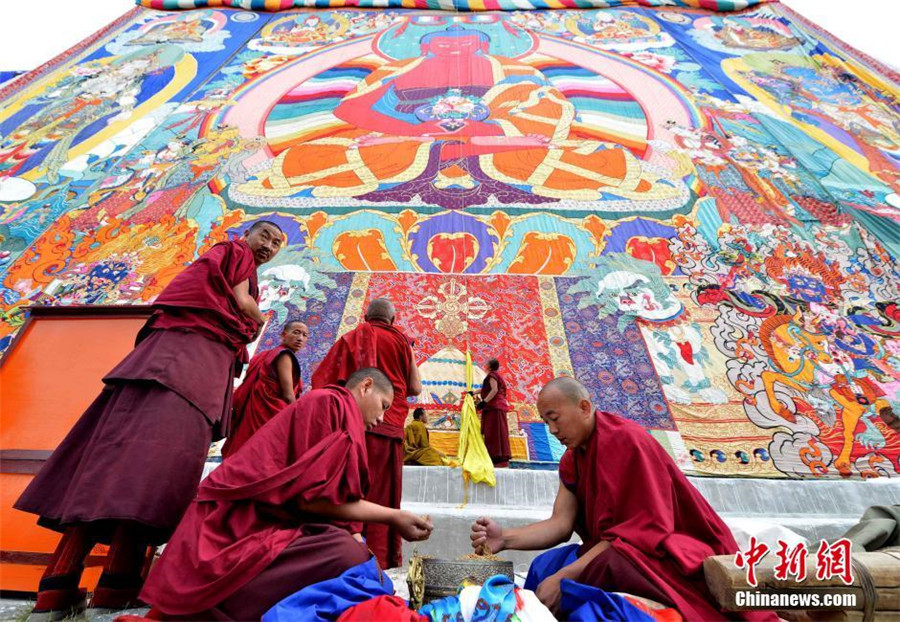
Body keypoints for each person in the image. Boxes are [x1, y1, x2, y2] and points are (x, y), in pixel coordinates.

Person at [14, 221, 284, 617]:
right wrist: (259, 321)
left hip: (167, 369)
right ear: (246, 235)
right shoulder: (235, 253)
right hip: (188, 372)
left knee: (113, 465)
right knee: (154, 476)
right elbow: (243, 302)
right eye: (266, 237)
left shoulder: (225, 265)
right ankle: (112, 586)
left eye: (278, 244)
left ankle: (63, 585)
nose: (270, 247)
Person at [470, 377, 777, 621]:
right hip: (615, 548)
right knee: (542, 568)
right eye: (546, 422)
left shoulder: (627, 441)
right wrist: (505, 538)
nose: (552, 431)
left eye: (555, 419)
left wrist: (566, 576)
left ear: (584, 407)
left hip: (663, 550)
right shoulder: (572, 459)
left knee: (576, 585)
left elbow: (642, 532)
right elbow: (560, 524)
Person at [139, 368, 433, 620]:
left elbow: (323, 496)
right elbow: (315, 498)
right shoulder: (329, 404)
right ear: (365, 386)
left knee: (355, 556)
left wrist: (359, 535)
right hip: (235, 525)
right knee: (347, 555)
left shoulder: (341, 416)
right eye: (383, 405)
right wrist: (393, 517)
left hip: (271, 518)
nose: (382, 418)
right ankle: (221, 609)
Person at [311, 297, 422, 570]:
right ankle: (380, 560)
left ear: (365, 316)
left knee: (346, 490)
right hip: (390, 426)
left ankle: (344, 557)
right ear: (393, 320)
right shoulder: (402, 342)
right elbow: (415, 388)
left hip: (351, 425)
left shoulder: (352, 337)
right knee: (382, 495)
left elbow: (322, 381)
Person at [221, 320, 309, 457]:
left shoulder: (264, 355)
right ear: (284, 335)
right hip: (269, 416)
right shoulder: (284, 356)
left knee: (244, 453)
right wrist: (300, 418)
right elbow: (288, 395)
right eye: (296, 332)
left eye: (305, 335)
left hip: (251, 416)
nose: (300, 338)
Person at [478, 358, 512, 468]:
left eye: (486, 363)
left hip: (495, 407)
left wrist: (484, 402)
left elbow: (494, 390)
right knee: (496, 431)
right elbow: (484, 389)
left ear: (489, 365)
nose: (485, 364)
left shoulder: (492, 375)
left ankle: (497, 456)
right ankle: (498, 455)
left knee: (494, 432)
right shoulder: (494, 376)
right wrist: (471, 393)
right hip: (496, 407)